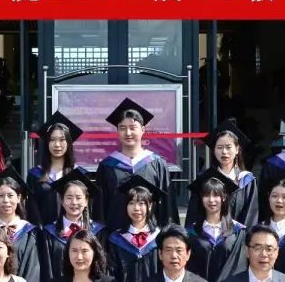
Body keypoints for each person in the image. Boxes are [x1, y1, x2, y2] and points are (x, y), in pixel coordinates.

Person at [95, 98, 179, 231]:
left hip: (151, 237)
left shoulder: (157, 163)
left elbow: (167, 206)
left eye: (132, 128)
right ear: (117, 131)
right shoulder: (107, 166)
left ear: (143, 129)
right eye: (122, 128)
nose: (128, 133)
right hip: (115, 237)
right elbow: (100, 208)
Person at [38, 169, 107, 282]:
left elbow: (101, 267)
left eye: (79, 197)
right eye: (69, 198)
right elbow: (47, 269)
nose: (74, 202)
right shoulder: (49, 232)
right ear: (62, 201)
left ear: (86, 201)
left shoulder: (98, 232)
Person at [186, 119, 257, 226]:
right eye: (219, 147)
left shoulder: (246, 180)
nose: (224, 152)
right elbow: (193, 217)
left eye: (228, 147)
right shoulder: (205, 179)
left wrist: (240, 235)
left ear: (237, 149)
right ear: (214, 150)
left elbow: (250, 217)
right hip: (207, 235)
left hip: (238, 235)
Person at [185, 170, 248, 282]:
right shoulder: (191, 232)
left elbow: (237, 265)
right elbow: (190, 267)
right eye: (206, 195)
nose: (211, 200)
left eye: (216, 195)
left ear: (223, 197)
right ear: (201, 198)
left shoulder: (238, 231)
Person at [26, 111, 86, 226]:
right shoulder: (35, 175)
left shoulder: (79, 174)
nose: (57, 144)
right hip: (44, 233)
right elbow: (33, 211)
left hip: (74, 232)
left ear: (68, 143)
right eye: (52, 140)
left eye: (62, 140)